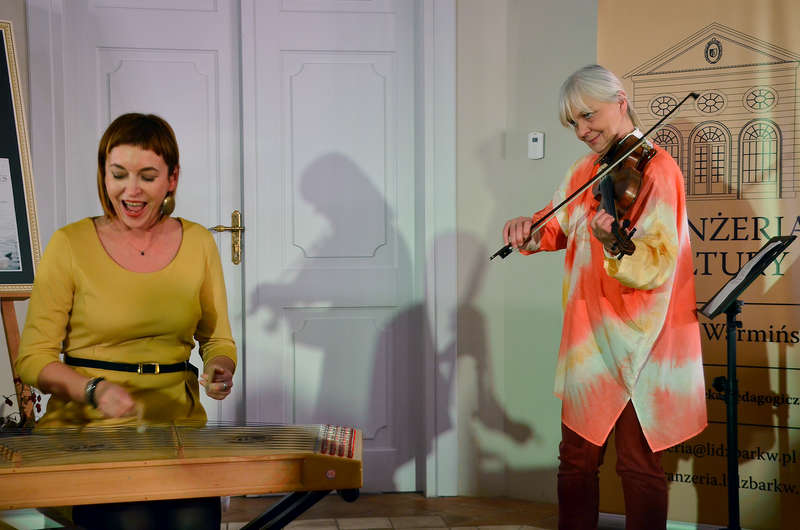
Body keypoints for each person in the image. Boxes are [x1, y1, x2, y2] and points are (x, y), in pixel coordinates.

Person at [502, 65, 706, 530]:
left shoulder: (659, 169)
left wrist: (615, 245)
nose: (581, 131)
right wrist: (527, 230)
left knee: (639, 464)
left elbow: (658, 263)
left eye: (588, 116)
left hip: (644, 340)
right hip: (589, 339)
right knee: (575, 460)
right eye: (572, 123)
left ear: (620, 101)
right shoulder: (585, 170)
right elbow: (554, 227)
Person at [15, 113, 236, 530]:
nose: (130, 190)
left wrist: (220, 367)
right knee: (131, 520)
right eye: (118, 174)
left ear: (172, 179)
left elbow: (218, 340)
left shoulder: (199, 243)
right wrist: (94, 390)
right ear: (104, 175)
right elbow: (32, 359)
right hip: (85, 432)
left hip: (176, 431)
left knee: (196, 519)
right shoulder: (69, 244)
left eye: (147, 176)